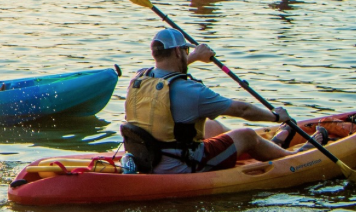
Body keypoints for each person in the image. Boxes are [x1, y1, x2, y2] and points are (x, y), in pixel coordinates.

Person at [120, 28, 316, 174]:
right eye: (186, 52)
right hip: (182, 165)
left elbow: (167, 72)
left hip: (147, 158)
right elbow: (242, 110)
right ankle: (293, 158)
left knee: (212, 126)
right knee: (246, 135)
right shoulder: (192, 92)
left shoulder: (139, 79)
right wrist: (275, 117)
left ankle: (265, 148)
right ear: (179, 52)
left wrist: (195, 56)